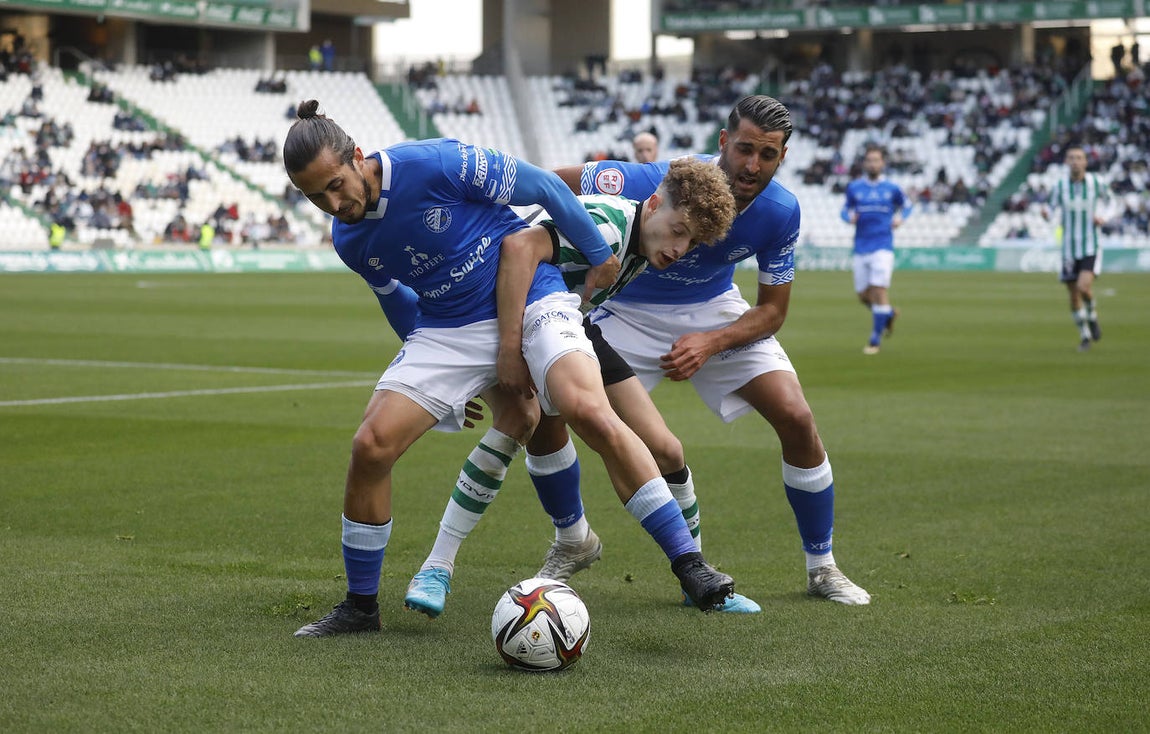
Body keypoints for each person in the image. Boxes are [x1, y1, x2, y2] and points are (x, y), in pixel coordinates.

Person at [283, 100, 735, 637]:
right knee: (370, 445)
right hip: (447, 328)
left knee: (584, 406)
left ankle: (690, 566)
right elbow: (397, 300)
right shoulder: (348, 240)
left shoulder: (437, 163)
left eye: (336, 184)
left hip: (532, 298)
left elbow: (544, 186)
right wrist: (441, 383)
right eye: (316, 197)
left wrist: (598, 254)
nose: (333, 203)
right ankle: (361, 609)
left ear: (357, 157)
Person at [550, 95, 872, 605]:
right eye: (744, 149)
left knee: (795, 415)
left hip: (714, 310)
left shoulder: (780, 211)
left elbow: (772, 312)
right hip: (626, 310)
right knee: (549, 413)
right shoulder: (656, 179)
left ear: (781, 157)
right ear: (723, 141)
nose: (752, 165)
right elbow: (553, 181)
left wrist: (710, 341)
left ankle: (823, 568)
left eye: (767, 155)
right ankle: (572, 538)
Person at [403, 157, 759, 616]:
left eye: (691, 242)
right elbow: (520, 247)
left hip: (566, 320)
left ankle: (692, 574)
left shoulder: (643, 240)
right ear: (653, 205)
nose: (680, 247)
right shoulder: (609, 225)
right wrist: (509, 350)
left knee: (666, 450)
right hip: (498, 310)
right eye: (678, 230)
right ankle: (441, 564)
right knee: (525, 422)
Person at [841, 145, 911, 355]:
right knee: (863, 295)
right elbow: (845, 209)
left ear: (882, 163)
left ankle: (875, 340)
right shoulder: (854, 187)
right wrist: (848, 217)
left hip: (883, 246)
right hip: (861, 246)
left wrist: (901, 218)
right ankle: (887, 315)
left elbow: (907, 206)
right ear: (865, 163)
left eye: (876, 160)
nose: (872, 163)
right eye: (869, 160)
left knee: (879, 291)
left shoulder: (892, 188)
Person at [1041, 144, 1111, 352]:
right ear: (1066, 162)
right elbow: (1049, 206)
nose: (1075, 161)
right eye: (1071, 158)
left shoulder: (1096, 183)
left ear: (1085, 162)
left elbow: (1112, 202)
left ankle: (1092, 315)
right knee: (1073, 296)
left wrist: (1104, 217)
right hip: (1069, 249)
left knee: (1083, 288)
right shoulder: (1060, 185)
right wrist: (1045, 213)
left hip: (1091, 245)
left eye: (1079, 158)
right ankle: (1085, 336)